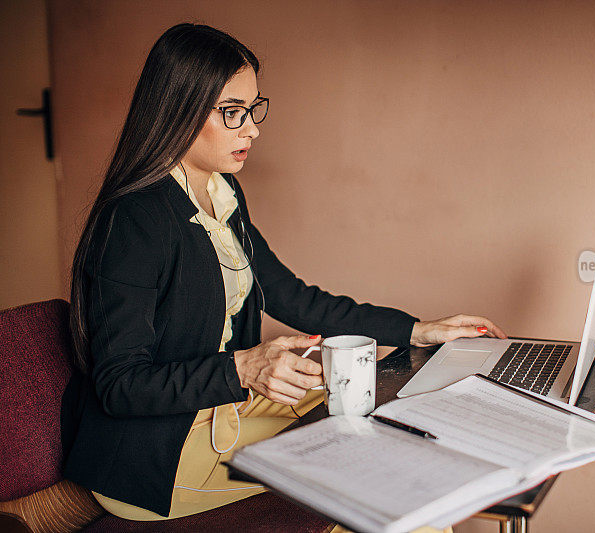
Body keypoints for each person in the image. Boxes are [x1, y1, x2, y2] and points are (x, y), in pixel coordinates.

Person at [61, 23, 507, 529]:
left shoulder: (222, 197)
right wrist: (244, 368)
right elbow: (120, 385)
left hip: (229, 412)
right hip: (159, 451)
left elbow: (295, 298)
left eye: (252, 109)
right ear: (177, 108)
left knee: (388, 430)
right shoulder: (134, 219)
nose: (251, 128)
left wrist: (417, 330)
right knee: (376, 482)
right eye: (231, 113)